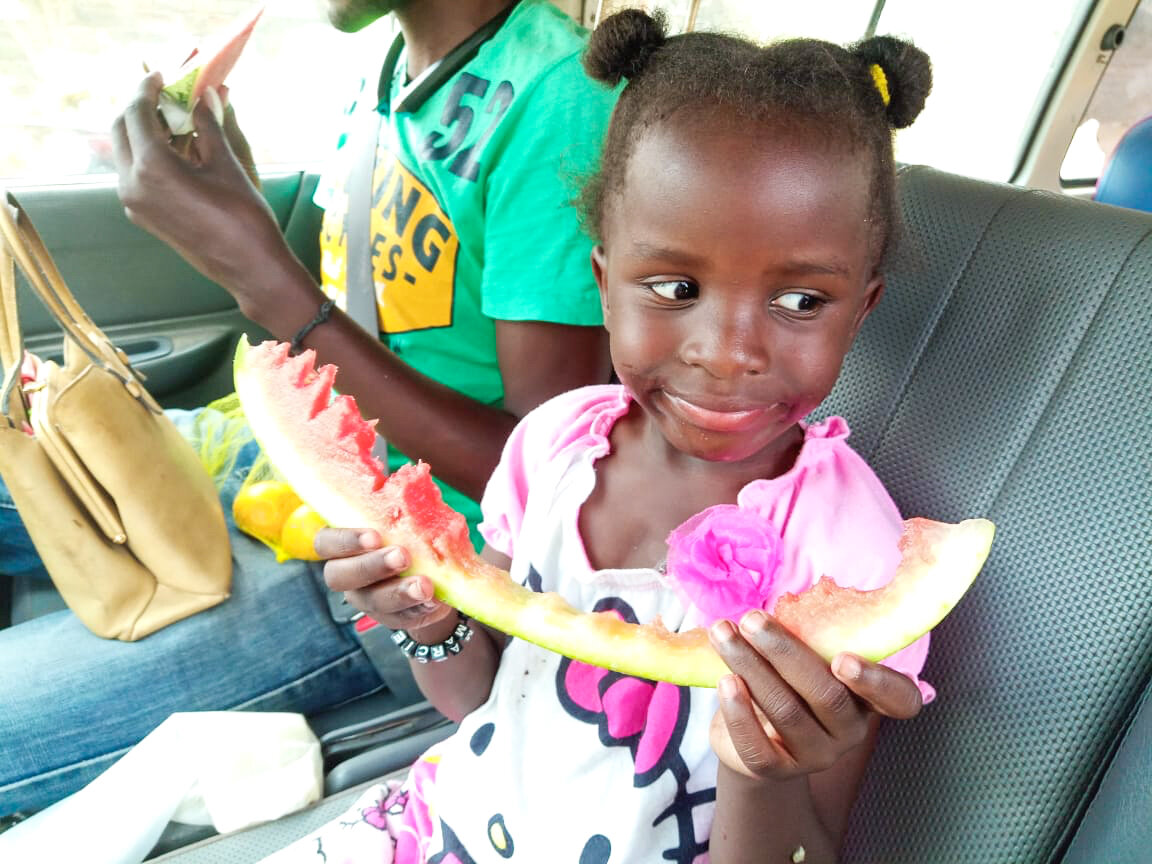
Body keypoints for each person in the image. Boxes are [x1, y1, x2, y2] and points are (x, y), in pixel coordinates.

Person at [260, 10, 936, 863]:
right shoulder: (551, 448)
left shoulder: (853, 551)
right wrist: (426, 622)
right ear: (604, 285)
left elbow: (809, 848)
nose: (726, 355)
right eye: (674, 285)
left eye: (800, 301)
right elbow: (478, 700)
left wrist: (768, 768)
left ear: (862, 309)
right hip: (445, 823)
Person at [0, 0, 617, 818]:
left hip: (391, 568)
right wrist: (233, 203)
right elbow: (372, 315)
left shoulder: (560, 103)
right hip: (290, 468)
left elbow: (547, 479)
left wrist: (261, 277)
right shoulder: (393, 70)